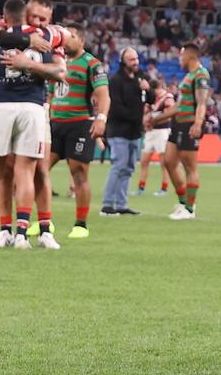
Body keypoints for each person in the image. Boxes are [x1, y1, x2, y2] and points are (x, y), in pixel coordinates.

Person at [0, 0, 63, 249]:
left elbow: (61, 72)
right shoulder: (46, 37)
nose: (38, 22)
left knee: (30, 171)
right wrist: (28, 44)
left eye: (43, 19)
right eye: (34, 17)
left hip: (4, 105)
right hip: (30, 106)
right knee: (21, 171)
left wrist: (28, 63)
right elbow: (60, 71)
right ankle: (18, 232)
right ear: (27, 13)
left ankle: (43, 230)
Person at [47, 23, 109, 239]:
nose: (66, 39)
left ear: (81, 40)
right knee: (39, 171)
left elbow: (103, 94)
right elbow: (50, 93)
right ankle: (44, 222)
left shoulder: (92, 63)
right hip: (54, 124)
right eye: (64, 35)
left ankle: (81, 224)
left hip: (79, 124)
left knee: (79, 174)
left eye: (71, 36)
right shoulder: (55, 61)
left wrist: (101, 118)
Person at [102, 48, 149, 217]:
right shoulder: (115, 81)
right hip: (119, 131)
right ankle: (107, 204)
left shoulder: (140, 78)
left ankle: (121, 205)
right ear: (123, 62)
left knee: (128, 169)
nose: (135, 62)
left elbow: (149, 99)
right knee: (118, 166)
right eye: (131, 60)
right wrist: (137, 117)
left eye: (136, 59)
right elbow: (116, 107)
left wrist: (147, 89)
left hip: (135, 132)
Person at [166, 43, 210, 221]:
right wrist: (155, 118)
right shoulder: (188, 76)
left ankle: (190, 209)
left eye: (181, 55)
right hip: (178, 124)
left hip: (190, 124)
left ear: (191, 57)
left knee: (189, 167)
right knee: (168, 161)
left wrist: (198, 123)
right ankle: (183, 203)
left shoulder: (201, 75)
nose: (179, 59)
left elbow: (202, 102)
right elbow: (177, 106)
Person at [137, 79, 175, 196]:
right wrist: (145, 122)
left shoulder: (167, 98)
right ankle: (141, 187)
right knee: (144, 161)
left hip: (162, 132)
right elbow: (145, 113)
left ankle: (164, 188)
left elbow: (169, 115)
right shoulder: (150, 98)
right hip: (150, 132)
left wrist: (154, 121)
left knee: (163, 162)